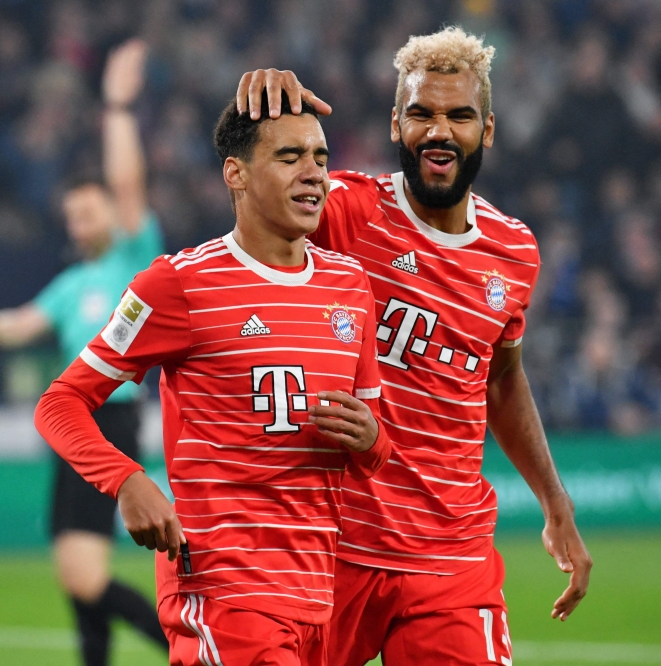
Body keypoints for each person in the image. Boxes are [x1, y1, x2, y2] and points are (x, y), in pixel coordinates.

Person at [235, 26, 593, 666]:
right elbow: (258, 213)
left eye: (459, 115)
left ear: (487, 130)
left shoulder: (514, 252)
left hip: (450, 559)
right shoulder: (346, 211)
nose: (439, 130)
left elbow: (502, 379)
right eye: (422, 113)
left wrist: (555, 501)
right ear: (396, 125)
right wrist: (265, 117)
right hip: (333, 548)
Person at [35, 91, 392, 665]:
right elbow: (60, 402)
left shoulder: (350, 285)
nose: (314, 174)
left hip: (322, 598)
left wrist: (372, 440)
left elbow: (377, 450)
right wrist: (126, 481)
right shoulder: (176, 284)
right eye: (289, 157)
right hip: (227, 595)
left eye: (321, 158)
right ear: (237, 173)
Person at [0, 40, 167, 666]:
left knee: (84, 574)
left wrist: (117, 107)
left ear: (109, 213)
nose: (77, 223)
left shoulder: (133, 250)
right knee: (77, 576)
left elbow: (128, 180)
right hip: (73, 421)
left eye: (85, 211)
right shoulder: (73, 284)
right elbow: (19, 326)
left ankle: (187, 650)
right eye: (69, 215)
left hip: (111, 420)